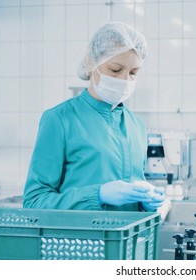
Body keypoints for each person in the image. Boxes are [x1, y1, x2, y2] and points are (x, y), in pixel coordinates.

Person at [23, 22, 165, 212]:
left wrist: (146, 202)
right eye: (115, 70)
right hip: (80, 240)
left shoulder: (136, 125)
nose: (124, 80)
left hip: (127, 240)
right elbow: (34, 202)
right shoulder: (59, 120)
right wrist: (98, 194)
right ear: (91, 63)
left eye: (133, 73)